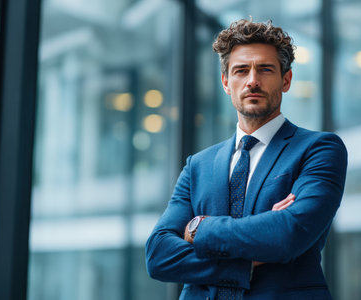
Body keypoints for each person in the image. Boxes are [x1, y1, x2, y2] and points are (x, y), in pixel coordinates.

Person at [145, 19, 347, 300]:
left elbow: (287, 235)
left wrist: (198, 227)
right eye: (241, 70)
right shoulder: (198, 166)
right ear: (226, 83)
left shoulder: (319, 149)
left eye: (265, 69)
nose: (253, 80)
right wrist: (246, 259)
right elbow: (159, 256)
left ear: (286, 80)